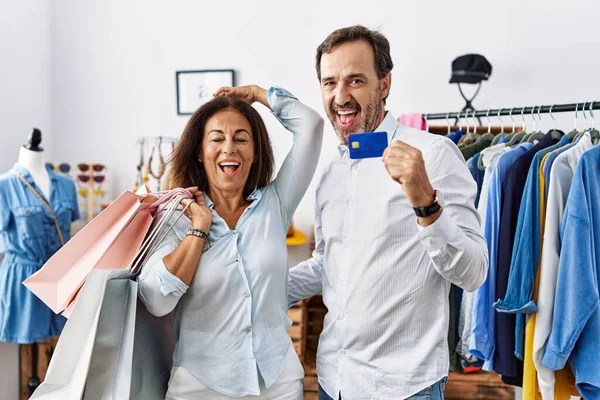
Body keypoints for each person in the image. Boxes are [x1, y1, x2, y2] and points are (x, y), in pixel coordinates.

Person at [288, 25, 489, 400]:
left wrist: (426, 204)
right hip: (334, 383)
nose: (340, 96)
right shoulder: (331, 170)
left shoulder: (435, 154)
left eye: (355, 81)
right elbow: (326, 265)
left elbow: (474, 272)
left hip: (405, 388)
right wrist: (253, 289)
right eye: (329, 82)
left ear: (384, 84)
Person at [138, 85, 324, 399]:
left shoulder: (275, 204)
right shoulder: (176, 214)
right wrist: (199, 230)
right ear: (200, 151)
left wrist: (257, 94)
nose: (229, 148)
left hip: (276, 382)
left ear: (254, 153)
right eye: (217, 139)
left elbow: (312, 126)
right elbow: (156, 300)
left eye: (241, 138)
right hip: (200, 386)